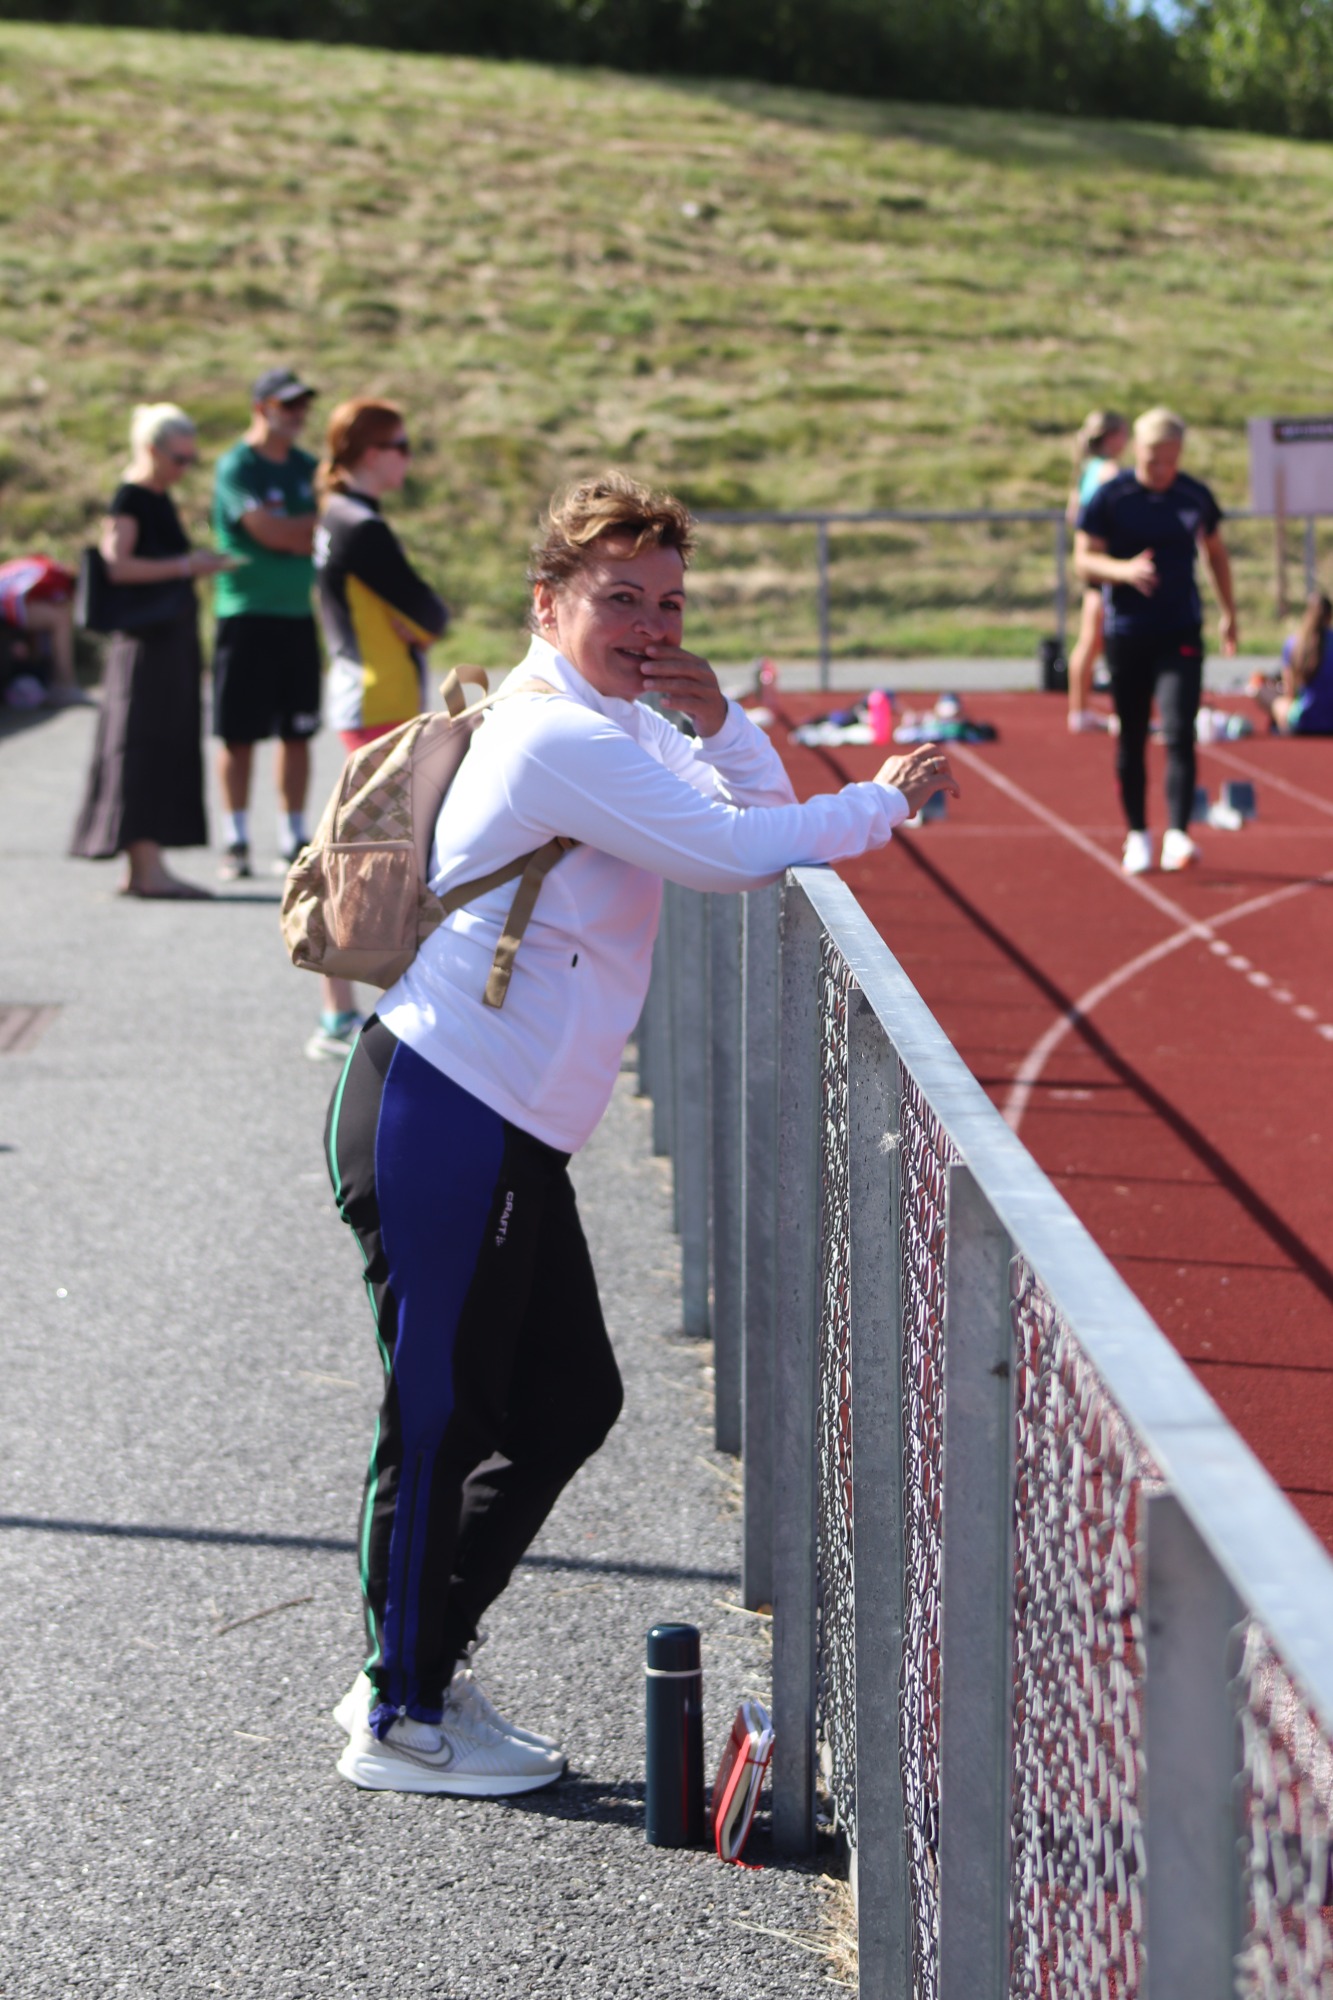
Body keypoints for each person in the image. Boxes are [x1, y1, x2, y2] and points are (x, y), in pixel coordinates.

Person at [324, 471, 959, 1796]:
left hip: (500, 1122)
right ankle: (397, 1711)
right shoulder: (559, 735)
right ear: (545, 604)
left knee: (567, 1399)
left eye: (668, 602)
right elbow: (735, 854)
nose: (651, 626)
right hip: (445, 1106)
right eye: (620, 598)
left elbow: (749, 814)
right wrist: (886, 801)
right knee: (440, 1414)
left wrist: (719, 714)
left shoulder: (617, 718)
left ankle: (416, 1656)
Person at [307, 396, 449, 1062]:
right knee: (372, 864)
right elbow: (431, 614)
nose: (408, 459)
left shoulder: (336, 513)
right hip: (380, 698)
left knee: (367, 859)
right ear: (369, 453)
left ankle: (343, 1010)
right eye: (401, 445)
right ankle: (343, 1015)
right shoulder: (362, 526)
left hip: (363, 695)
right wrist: (416, 625)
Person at [70, 404, 231, 897]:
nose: (184, 468)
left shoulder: (157, 496)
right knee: (143, 744)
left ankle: (143, 867)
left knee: (162, 742)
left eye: (190, 459)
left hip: (165, 639)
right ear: (150, 450)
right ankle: (146, 867)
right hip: (144, 644)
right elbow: (116, 565)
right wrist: (187, 566)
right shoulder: (132, 497)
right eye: (178, 458)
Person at [1075, 407, 1238, 875]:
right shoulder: (1112, 496)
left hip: (1180, 630)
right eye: (1151, 460)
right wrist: (1124, 571)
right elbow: (1083, 560)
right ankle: (1138, 834)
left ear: (1180, 455)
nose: (1161, 470)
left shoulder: (1194, 496)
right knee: (1131, 736)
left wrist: (1229, 612)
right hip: (1127, 632)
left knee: (1180, 729)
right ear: (1136, 451)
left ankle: (1179, 833)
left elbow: (1216, 553)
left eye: (1169, 460)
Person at [211, 367, 321, 883]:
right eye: (287, 405)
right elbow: (270, 532)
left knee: (297, 732)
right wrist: (293, 535)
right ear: (261, 408)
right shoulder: (239, 466)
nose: (297, 415)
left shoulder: (308, 467)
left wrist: (293, 534)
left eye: (302, 406)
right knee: (239, 734)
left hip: (297, 615)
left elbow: (324, 529)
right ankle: (235, 838)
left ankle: (293, 835)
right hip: (246, 615)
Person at [1064, 410, 1128, 733]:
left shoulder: (1086, 470)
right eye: (1124, 433)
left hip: (1091, 562)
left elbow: (1072, 515)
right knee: (1111, 639)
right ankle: (1120, 711)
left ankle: (1079, 711)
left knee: (1090, 640)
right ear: (1112, 437)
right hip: (1105, 564)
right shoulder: (1108, 471)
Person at [0, 555, 89, 706]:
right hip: (6, 604)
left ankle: (48, 682)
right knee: (61, 619)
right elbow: (14, 598)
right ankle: (65, 685)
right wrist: (17, 638)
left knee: (55, 617)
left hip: (9, 602)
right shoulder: (56, 577)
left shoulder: (44, 565)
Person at [1251, 592, 1333, 735]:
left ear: (1307, 614)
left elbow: (1291, 694)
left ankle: (1281, 722)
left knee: (1260, 689)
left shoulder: (1294, 644)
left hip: (1304, 720)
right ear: (1330, 616)